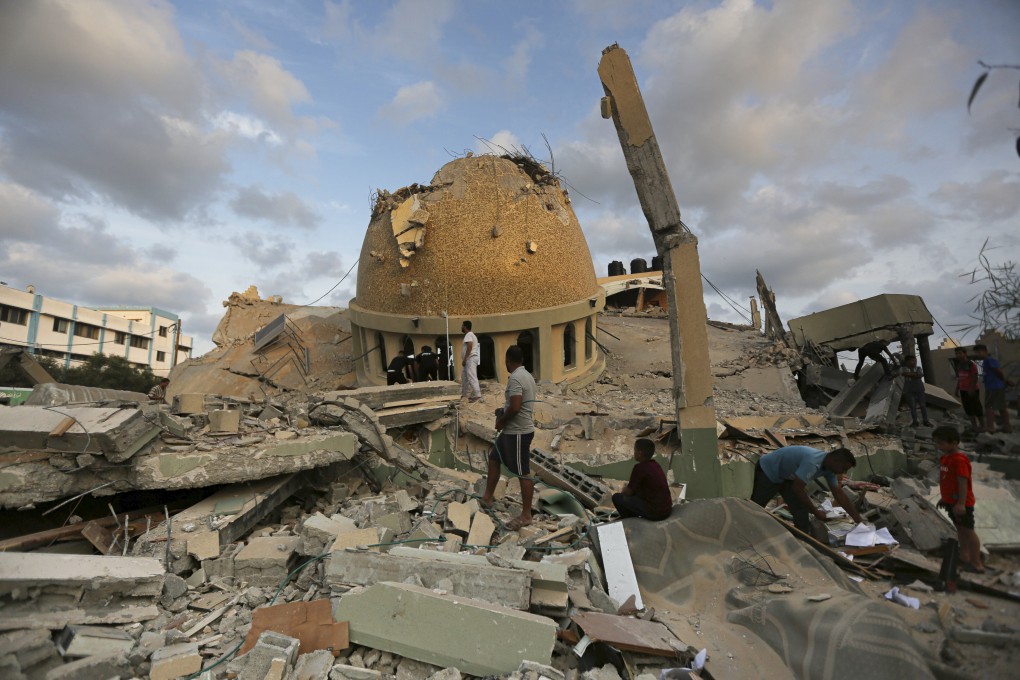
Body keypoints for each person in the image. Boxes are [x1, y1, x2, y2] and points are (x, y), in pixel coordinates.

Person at [480, 345, 536, 530]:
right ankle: (487, 497)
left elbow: (516, 407)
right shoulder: (527, 376)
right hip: (510, 431)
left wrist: (502, 421)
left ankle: (526, 515)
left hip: (518, 432)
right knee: (494, 458)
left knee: (522, 472)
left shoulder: (515, 378)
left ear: (508, 360)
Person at [750, 445, 864, 533]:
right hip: (768, 470)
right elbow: (798, 488)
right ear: (835, 460)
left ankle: (803, 539)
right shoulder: (812, 461)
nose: (843, 472)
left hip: (788, 476)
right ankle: (747, 533)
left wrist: (857, 518)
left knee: (801, 509)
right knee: (757, 507)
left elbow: (838, 494)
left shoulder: (829, 469)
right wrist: (816, 512)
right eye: (843, 468)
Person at [934, 425, 985, 573]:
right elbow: (947, 480)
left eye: (942, 443)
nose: (939, 446)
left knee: (969, 531)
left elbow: (963, 483)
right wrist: (944, 498)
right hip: (951, 502)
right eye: (937, 443)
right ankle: (965, 558)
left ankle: (977, 564)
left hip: (962, 503)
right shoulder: (945, 458)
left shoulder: (959, 460)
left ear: (954, 443)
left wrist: (961, 503)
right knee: (961, 530)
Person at [612, 438, 673, 521]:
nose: (634, 453)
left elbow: (628, 492)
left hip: (656, 513)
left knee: (617, 498)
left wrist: (624, 490)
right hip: (666, 510)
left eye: (635, 450)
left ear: (640, 453)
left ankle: (629, 520)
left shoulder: (639, 468)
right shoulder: (655, 465)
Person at [974, 344, 1013, 434]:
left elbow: (998, 371)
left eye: (979, 352)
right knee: (1002, 407)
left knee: (989, 407)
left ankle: (991, 427)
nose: (977, 354)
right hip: (997, 387)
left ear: (985, 352)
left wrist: (1006, 381)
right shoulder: (984, 362)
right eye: (976, 352)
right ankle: (1007, 427)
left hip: (993, 387)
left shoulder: (989, 360)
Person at [953, 347, 984, 432]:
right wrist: (957, 389)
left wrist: (971, 389)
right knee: (968, 408)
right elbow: (960, 378)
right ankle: (974, 426)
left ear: (965, 353)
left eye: (960, 353)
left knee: (976, 407)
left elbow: (975, 377)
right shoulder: (959, 365)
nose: (958, 355)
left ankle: (982, 426)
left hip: (972, 389)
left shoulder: (971, 363)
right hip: (963, 390)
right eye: (956, 354)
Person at [901, 355, 931, 427]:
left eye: (915, 360)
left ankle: (926, 421)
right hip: (909, 390)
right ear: (907, 361)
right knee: (912, 406)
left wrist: (911, 374)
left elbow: (920, 375)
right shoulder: (904, 368)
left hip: (919, 389)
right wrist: (915, 375)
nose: (914, 362)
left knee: (923, 405)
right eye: (912, 360)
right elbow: (904, 373)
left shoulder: (918, 368)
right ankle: (915, 421)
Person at [461, 320, 481, 402]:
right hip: (471, 358)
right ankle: (464, 395)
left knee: (472, 376)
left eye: (462, 326)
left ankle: (477, 395)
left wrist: (465, 359)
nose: (461, 327)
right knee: (465, 377)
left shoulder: (468, 334)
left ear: (465, 327)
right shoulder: (472, 335)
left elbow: (469, 345)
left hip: (470, 358)